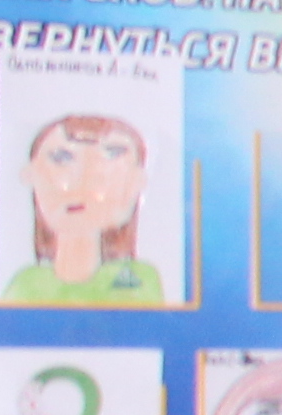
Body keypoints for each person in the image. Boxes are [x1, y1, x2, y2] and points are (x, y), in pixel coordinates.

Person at [10, 110, 165, 305]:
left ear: (137, 182)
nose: (83, 181)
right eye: (61, 158)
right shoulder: (26, 285)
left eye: (112, 156)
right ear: (30, 175)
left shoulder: (139, 281)